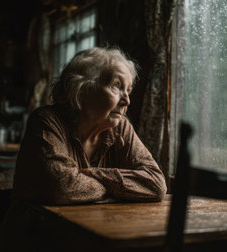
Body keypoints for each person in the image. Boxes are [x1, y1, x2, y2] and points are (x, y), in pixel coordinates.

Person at [13, 47, 167, 205]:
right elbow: (61, 187)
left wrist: (95, 175)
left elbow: (156, 185)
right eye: (116, 86)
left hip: (93, 226)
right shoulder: (46, 121)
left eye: (128, 90)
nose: (127, 101)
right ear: (81, 88)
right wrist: (119, 189)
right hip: (41, 227)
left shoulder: (120, 127)